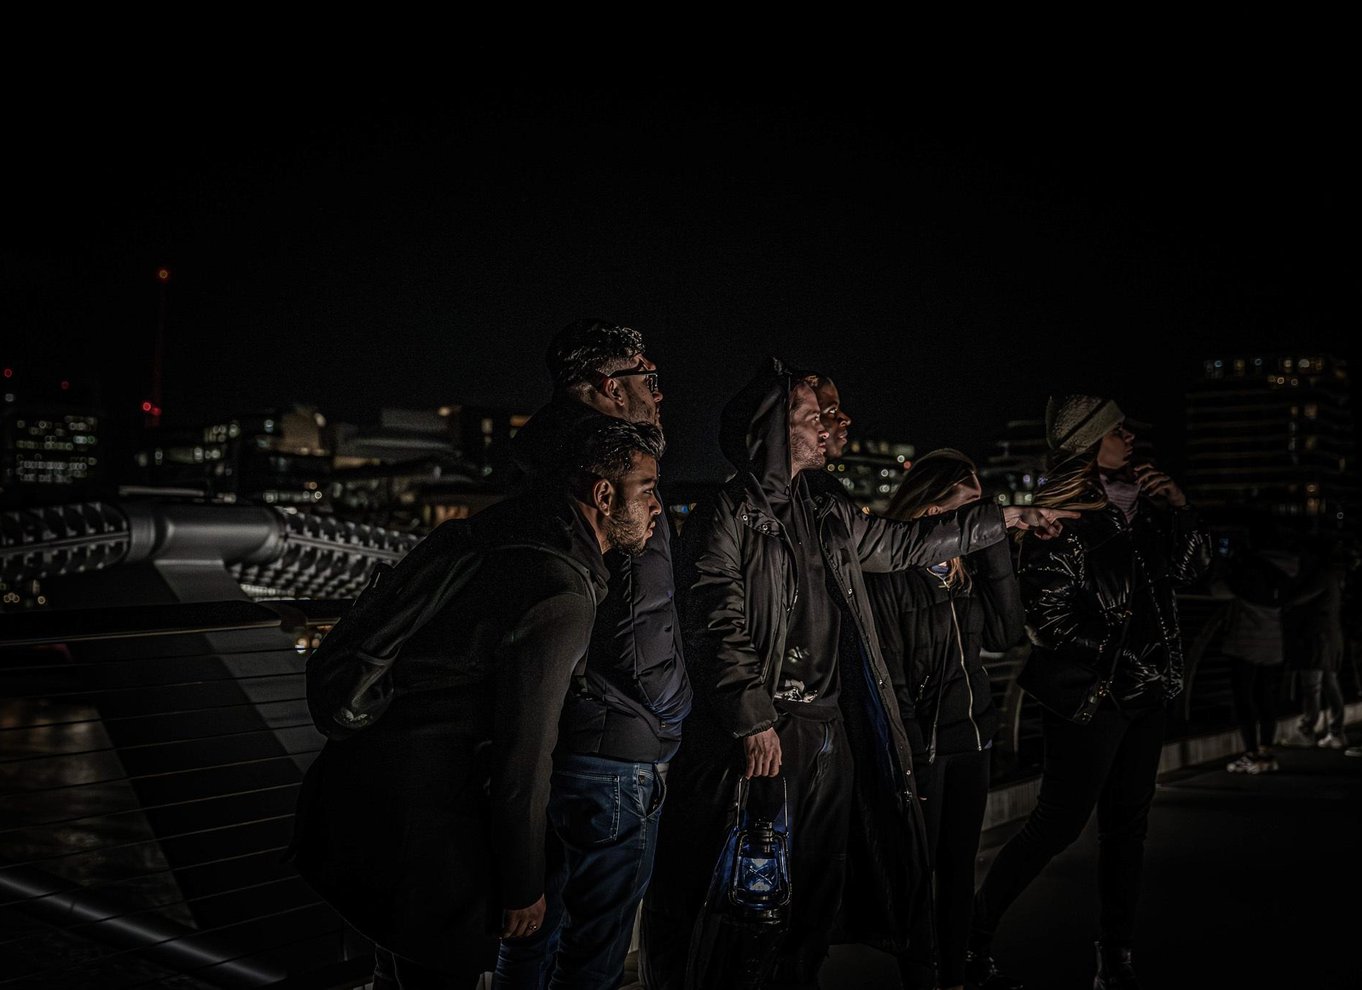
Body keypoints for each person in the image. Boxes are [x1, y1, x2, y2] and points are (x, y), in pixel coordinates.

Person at [638, 359, 1074, 990]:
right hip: (770, 732)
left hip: (825, 730)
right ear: (774, 429)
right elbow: (714, 621)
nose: (826, 428)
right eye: (811, 417)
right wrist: (752, 718)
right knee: (746, 890)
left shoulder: (825, 511)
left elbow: (905, 545)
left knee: (816, 886)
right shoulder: (727, 512)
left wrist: (1006, 518)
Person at [291, 418, 666, 989]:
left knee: (396, 966)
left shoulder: (501, 533)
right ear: (604, 494)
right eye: (647, 489)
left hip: (368, 795)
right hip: (434, 833)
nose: (657, 505)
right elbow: (524, 756)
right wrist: (523, 885)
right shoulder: (561, 591)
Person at [967, 395, 1209, 990]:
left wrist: (1180, 509)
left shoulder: (1145, 511)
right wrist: (1125, 661)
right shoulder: (1062, 518)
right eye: (1116, 430)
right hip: (1091, 698)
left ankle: (1115, 956)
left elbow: (1191, 570)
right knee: (1058, 824)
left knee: (1128, 830)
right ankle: (970, 939)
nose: (1130, 437)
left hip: (1145, 695)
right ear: (1088, 441)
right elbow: (1048, 621)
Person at [494, 320, 692, 989]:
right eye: (649, 379)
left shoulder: (535, 463)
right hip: (615, 741)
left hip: (557, 730)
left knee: (531, 937)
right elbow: (641, 616)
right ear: (611, 386)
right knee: (595, 950)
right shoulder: (619, 472)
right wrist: (668, 706)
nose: (659, 395)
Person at [864, 449, 1026, 990]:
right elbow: (890, 675)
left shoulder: (967, 568)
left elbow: (1006, 635)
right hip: (924, 749)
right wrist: (911, 754)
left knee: (960, 870)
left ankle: (954, 978)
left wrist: (995, 545)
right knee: (917, 876)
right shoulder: (889, 573)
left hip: (973, 737)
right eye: (972, 506)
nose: (983, 516)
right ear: (936, 510)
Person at [1215, 521, 1298, 773]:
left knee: (1244, 698)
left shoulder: (1248, 566)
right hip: (1274, 642)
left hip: (1245, 641)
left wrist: (1224, 563)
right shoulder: (1290, 568)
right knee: (1267, 697)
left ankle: (1250, 753)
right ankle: (1266, 753)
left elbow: (1218, 590)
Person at [1285, 542, 1349, 750]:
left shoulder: (1320, 577)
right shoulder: (1332, 577)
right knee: (1330, 685)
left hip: (1316, 639)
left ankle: (1307, 730)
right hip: (1330, 637)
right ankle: (1336, 732)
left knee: (1311, 687)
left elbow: (1296, 599)